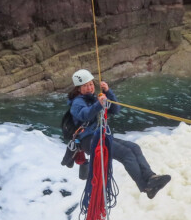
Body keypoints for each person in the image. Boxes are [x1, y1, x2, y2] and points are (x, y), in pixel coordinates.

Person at [66, 69, 171, 199]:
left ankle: (150, 177)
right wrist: (99, 104)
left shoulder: (94, 98)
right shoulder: (77, 102)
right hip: (88, 139)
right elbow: (85, 115)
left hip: (99, 136)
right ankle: (145, 186)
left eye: (91, 84)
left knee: (134, 147)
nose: (89, 88)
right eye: (85, 86)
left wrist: (108, 92)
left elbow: (115, 110)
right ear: (78, 89)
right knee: (126, 154)